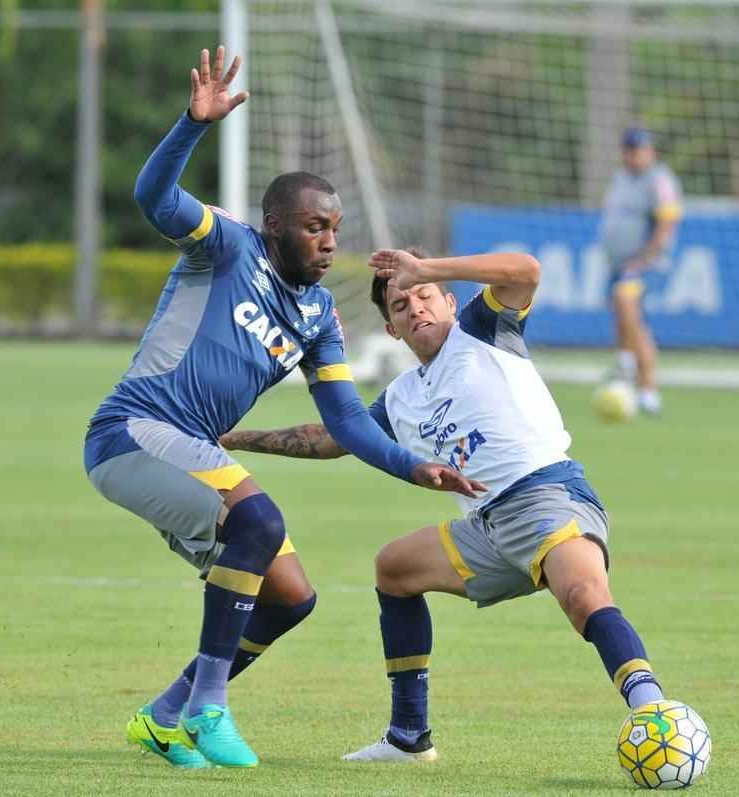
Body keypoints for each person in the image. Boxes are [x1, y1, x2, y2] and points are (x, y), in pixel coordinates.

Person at [82, 48, 483, 770]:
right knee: (260, 521)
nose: (328, 240)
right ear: (272, 225)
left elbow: (347, 421)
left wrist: (409, 465)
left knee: (291, 596)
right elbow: (152, 197)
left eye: (333, 228)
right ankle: (209, 708)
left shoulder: (320, 315)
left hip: (189, 447)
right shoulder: (228, 247)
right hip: (132, 431)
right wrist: (190, 126)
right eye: (311, 227)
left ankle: (163, 715)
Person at [220, 248, 673, 763]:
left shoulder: (482, 331)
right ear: (393, 330)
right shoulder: (400, 397)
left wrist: (426, 266)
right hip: (485, 526)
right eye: (399, 305)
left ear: (450, 302)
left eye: (424, 295)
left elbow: (526, 271)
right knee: (395, 569)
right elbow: (330, 438)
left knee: (584, 596)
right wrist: (235, 438)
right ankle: (409, 738)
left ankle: (654, 712)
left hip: (546, 494)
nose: (414, 307)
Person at [597, 126, 683, 416]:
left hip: (645, 263)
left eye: (640, 150)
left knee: (627, 306)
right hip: (619, 262)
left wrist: (645, 258)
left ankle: (648, 388)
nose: (635, 156)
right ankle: (626, 367)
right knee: (623, 316)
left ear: (651, 152)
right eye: (631, 150)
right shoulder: (621, 178)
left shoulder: (659, 180)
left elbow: (667, 222)